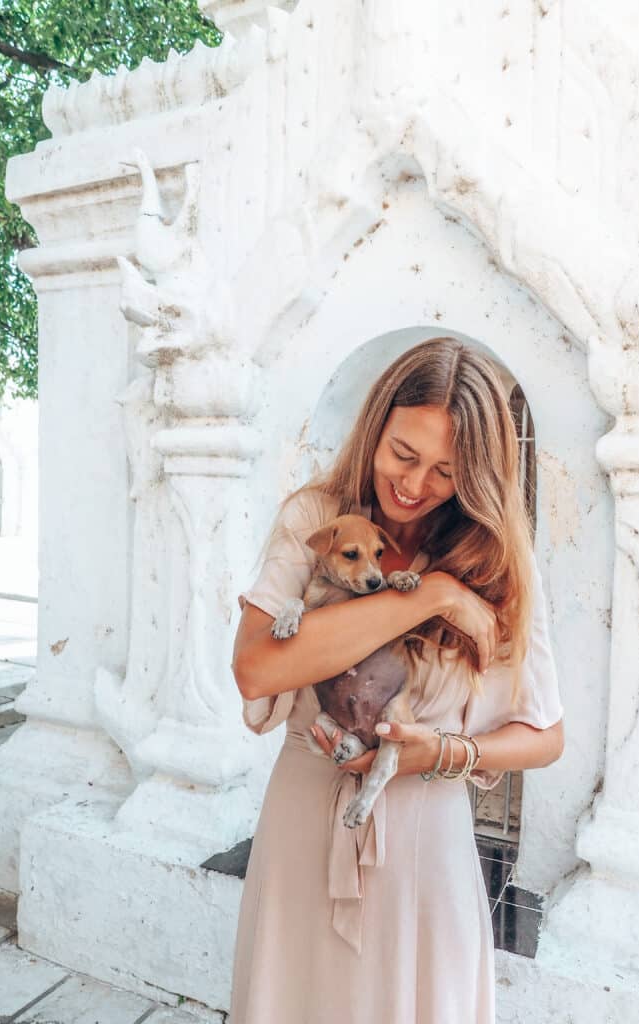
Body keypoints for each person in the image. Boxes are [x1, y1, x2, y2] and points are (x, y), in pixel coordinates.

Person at [228, 337, 564, 1024]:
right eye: (402, 454)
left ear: (476, 475)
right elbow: (258, 665)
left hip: (423, 845)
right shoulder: (315, 522)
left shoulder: (496, 563)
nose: (413, 485)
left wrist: (442, 753)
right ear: (375, 427)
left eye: (445, 471)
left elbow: (545, 734)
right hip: (302, 821)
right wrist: (428, 596)